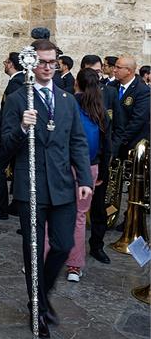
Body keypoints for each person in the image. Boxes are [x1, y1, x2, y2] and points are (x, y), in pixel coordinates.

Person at [1, 39, 92, 338]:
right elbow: (5, 146)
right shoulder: (18, 99)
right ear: (31, 63)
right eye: (42, 61)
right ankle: (37, 307)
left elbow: (77, 141)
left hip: (63, 186)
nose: (48, 67)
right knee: (33, 250)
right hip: (31, 186)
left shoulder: (67, 100)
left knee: (63, 245)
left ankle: (41, 295)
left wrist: (85, 179)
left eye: (53, 61)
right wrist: (22, 128)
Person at [62, 69, 111, 282]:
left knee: (54, 213)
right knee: (80, 217)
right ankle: (74, 266)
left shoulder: (67, 104)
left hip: (64, 166)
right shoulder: (101, 110)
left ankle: (45, 259)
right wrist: (103, 172)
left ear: (77, 83)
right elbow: (106, 146)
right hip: (90, 167)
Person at [79, 54, 123, 262]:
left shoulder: (110, 93)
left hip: (99, 160)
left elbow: (118, 126)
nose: (97, 76)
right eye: (92, 72)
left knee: (98, 207)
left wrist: (109, 153)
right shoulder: (70, 96)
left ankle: (97, 245)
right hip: (77, 162)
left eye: (99, 72)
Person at [0, 51, 24, 220]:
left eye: (6, 62)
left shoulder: (17, 82)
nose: (4, 65)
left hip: (10, 136)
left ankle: (2, 207)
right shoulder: (18, 81)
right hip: (14, 134)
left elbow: (10, 112)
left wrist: (2, 133)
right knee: (16, 168)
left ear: (11, 64)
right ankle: (15, 204)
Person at [112, 56, 150, 157]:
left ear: (128, 71)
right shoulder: (112, 86)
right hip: (111, 140)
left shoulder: (143, 91)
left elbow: (138, 120)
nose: (114, 70)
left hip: (129, 144)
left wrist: (119, 140)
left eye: (118, 67)